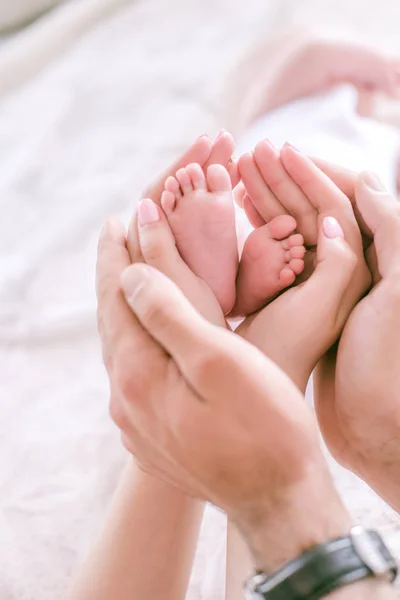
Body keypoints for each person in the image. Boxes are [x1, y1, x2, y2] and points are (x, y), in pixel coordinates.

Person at [66, 33, 400, 600]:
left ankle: (235, 280)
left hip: (292, 163)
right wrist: (386, 448)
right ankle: (238, 280)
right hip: (325, 184)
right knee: (306, 201)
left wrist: (179, 388)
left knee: (278, 197)